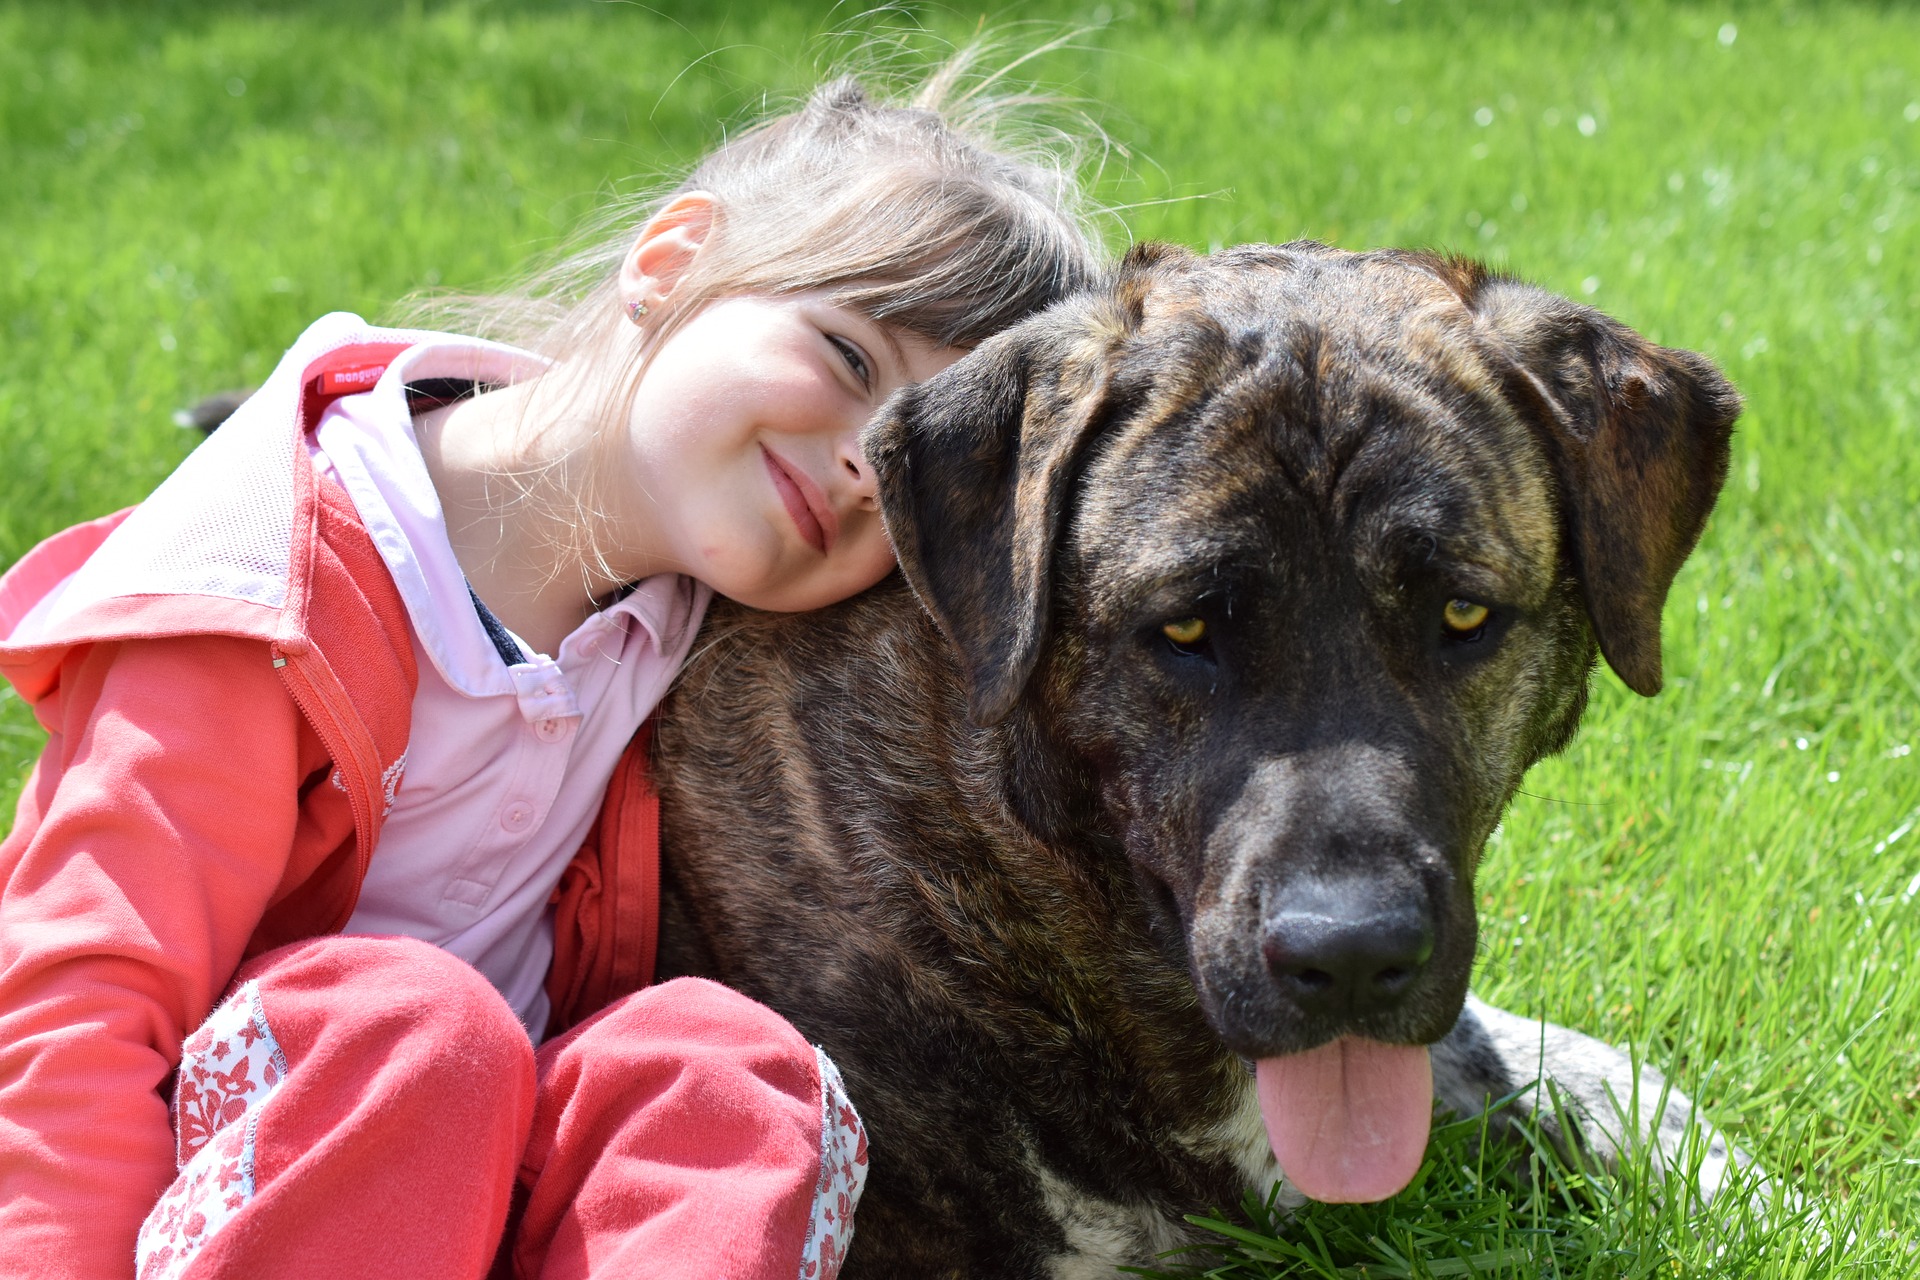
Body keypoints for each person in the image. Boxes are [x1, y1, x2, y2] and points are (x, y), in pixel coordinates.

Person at [0, 53, 1107, 1280]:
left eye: (908, 466)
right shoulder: (266, 594)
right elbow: (74, 1011)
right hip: (234, 1174)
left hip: (492, 1166)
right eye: (849, 359)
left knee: (725, 1065)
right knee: (421, 1024)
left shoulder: (687, 626)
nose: (862, 466)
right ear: (671, 261)